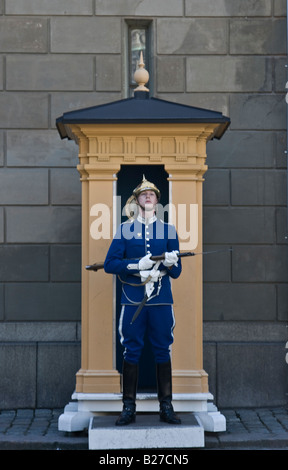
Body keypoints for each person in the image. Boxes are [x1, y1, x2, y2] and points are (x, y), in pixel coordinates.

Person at [104, 175, 182, 426]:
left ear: (158, 201)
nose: (148, 197)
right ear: (136, 200)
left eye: (152, 194)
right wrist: (138, 265)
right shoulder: (124, 229)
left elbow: (177, 272)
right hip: (133, 298)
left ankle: (166, 406)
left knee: (162, 348)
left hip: (160, 299)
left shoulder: (169, 230)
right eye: (143, 194)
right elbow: (110, 264)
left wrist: (171, 263)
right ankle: (128, 407)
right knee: (131, 349)